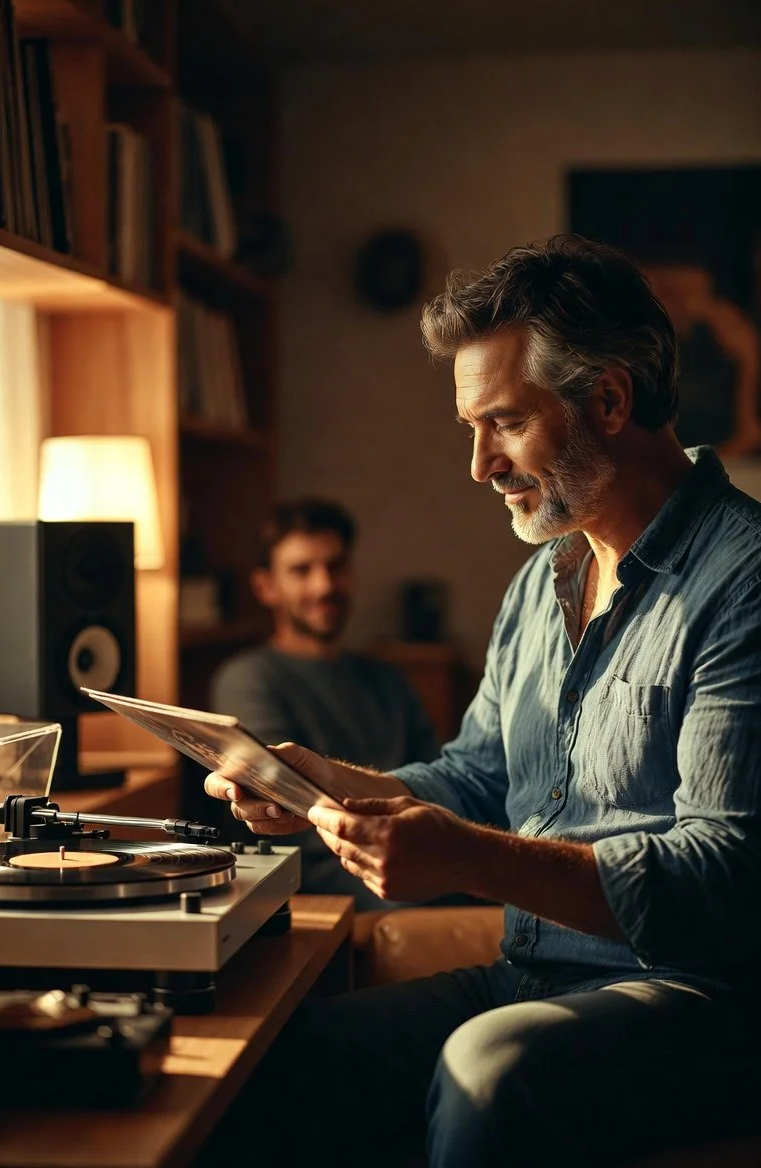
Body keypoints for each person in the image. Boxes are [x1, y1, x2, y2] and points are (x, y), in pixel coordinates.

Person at [203, 235, 761, 1167]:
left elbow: (724, 875)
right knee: (269, 1065)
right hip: (533, 974)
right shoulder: (542, 580)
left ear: (610, 401)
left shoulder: (743, 579)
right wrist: (318, 786)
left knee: (491, 1066)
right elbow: (476, 772)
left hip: (701, 997)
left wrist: (469, 859)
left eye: (502, 423)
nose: (478, 466)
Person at [210, 496, 440, 909]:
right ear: (266, 587)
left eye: (336, 567)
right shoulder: (248, 680)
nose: (325, 585)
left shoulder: (389, 679)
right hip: (315, 880)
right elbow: (283, 807)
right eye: (302, 571)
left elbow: (438, 787)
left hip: (413, 859)